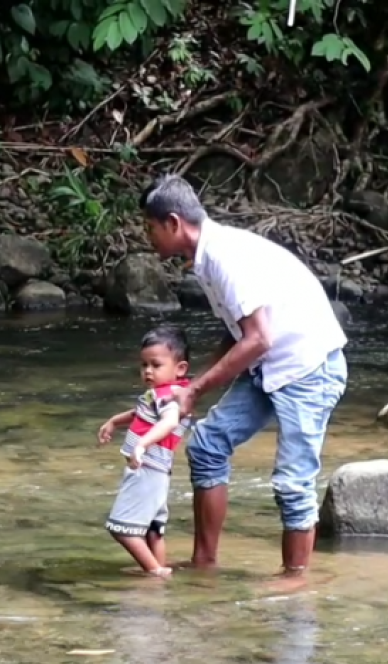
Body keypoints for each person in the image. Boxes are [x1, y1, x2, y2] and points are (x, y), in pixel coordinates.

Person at [137, 174, 348, 575]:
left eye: (151, 228)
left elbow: (258, 338)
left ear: (174, 223)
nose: (149, 238)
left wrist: (196, 390)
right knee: (206, 445)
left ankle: (295, 582)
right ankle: (204, 564)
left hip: (308, 368)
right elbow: (237, 330)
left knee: (293, 482)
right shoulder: (207, 255)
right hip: (270, 366)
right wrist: (188, 387)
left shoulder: (224, 257)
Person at [98, 325, 194, 578]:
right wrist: (114, 421)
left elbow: (169, 421)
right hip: (157, 471)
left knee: (122, 529)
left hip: (147, 467)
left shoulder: (168, 398)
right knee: (153, 528)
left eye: (156, 364)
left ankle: (154, 571)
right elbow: (138, 413)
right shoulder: (160, 394)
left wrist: (141, 445)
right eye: (144, 365)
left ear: (180, 368)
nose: (148, 371)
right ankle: (159, 568)